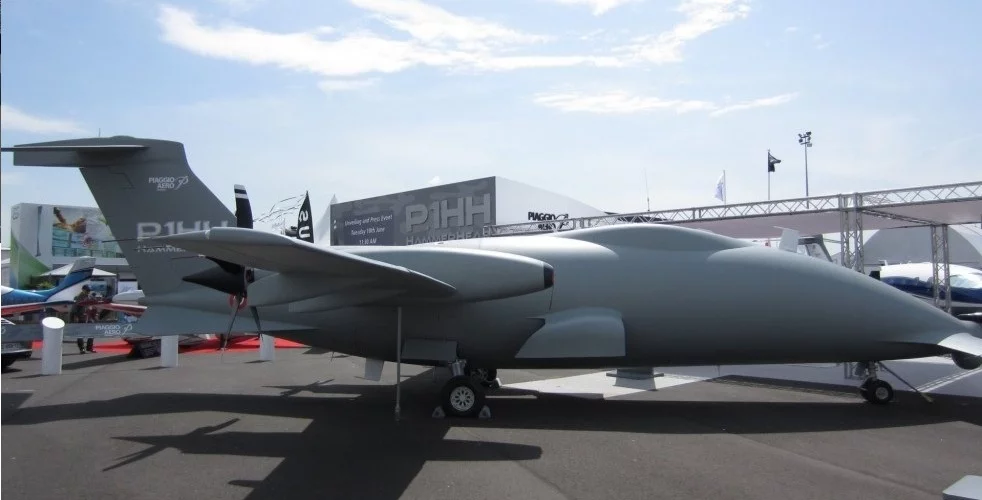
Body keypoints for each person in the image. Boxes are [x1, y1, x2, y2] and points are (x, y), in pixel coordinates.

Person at [71, 285, 95, 354]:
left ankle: (89, 348)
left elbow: (93, 305)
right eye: (87, 290)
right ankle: (82, 349)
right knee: (80, 334)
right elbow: (74, 308)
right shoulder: (78, 297)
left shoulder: (90, 296)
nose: (88, 292)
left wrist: (94, 315)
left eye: (89, 290)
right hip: (81, 317)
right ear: (83, 290)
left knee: (92, 333)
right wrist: (75, 317)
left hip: (89, 317)